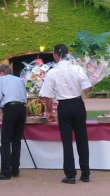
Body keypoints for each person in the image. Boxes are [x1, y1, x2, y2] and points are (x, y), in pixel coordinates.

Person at [39, 44, 92, 184]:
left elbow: (48, 96)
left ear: (56, 55)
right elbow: (87, 89)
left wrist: (50, 111)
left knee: (67, 141)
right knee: (82, 139)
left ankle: (70, 175)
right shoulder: (77, 69)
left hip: (64, 107)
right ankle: (85, 173)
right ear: (68, 54)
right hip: (78, 104)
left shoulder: (52, 72)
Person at [0, 64, 28, 180]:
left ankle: (6, 171)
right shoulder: (19, 80)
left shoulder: (1, 79)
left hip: (10, 108)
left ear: (1, 72)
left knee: (6, 141)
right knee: (17, 140)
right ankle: (15, 169)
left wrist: (0, 107)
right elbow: (24, 96)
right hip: (21, 108)